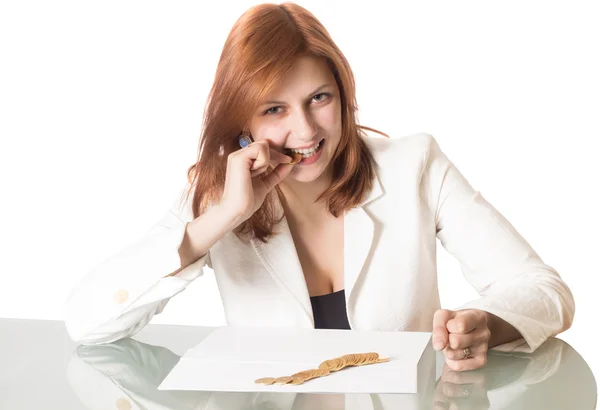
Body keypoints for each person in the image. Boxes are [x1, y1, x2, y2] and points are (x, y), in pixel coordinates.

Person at [64, 2, 575, 372]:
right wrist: (221, 219)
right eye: (274, 110)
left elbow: (545, 291)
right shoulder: (217, 194)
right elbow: (87, 324)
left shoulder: (414, 165)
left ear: (344, 95)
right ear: (240, 119)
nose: (306, 131)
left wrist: (486, 323)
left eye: (319, 98)